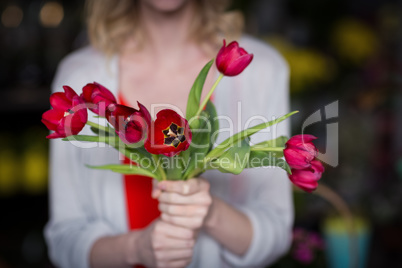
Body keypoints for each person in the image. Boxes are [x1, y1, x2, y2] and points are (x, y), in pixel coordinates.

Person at [44, 0, 294, 267]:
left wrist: (210, 213)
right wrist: (136, 249)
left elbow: (277, 231)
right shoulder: (80, 75)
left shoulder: (263, 71)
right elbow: (65, 239)